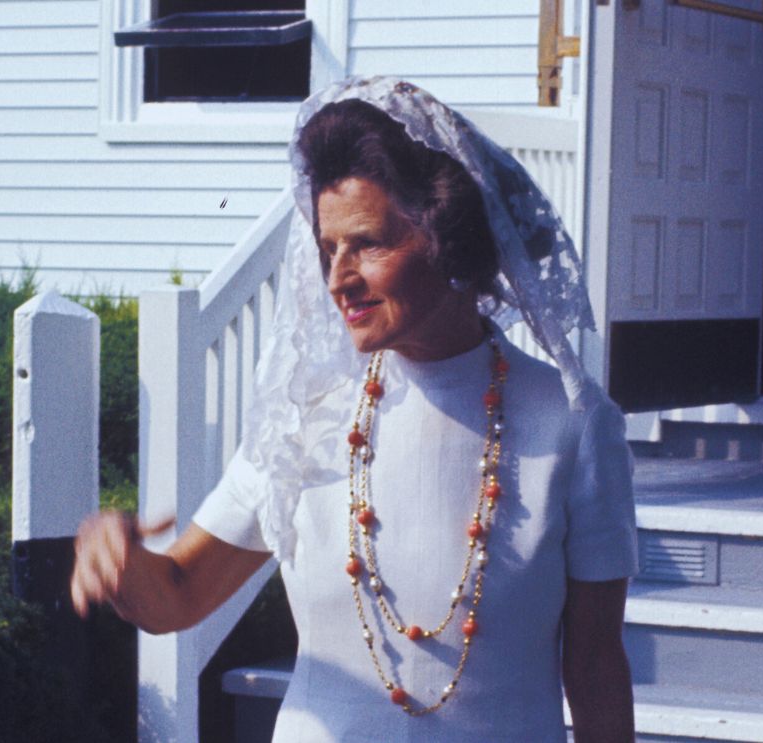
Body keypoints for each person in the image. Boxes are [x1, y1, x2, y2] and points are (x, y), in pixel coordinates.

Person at [70, 76, 638, 742]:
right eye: (327, 249)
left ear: (445, 235)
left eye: (366, 243)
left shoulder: (570, 423)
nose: (338, 277)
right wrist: (118, 561)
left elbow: (595, 665)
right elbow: (176, 594)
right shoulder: (304, 417)